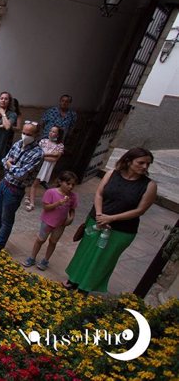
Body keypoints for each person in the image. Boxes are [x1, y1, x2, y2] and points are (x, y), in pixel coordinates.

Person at [64, 148, 157, 294]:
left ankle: (86, 287)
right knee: (85, 252)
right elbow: (99, 194)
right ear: (128, 161)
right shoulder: (112, 174)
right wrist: (101, 215)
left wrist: (111, 218)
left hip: (121, 230)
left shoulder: (149, 185)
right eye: (141, 162)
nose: (145, 167)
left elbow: (140, 210)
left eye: (148, 164)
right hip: (97, 221)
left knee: (102, 259)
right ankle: (73, 279)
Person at [0, 121, 44, 250]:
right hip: (4, 183)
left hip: (15, 189)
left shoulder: (37, 153)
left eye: (29, 134)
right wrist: (10, 166)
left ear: (36, 135)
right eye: (23, 133)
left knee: (7, 219)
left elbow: (21, 174)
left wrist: (10, 165)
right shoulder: (18, 144)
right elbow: (4, 160)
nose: (25, 136)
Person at [23, 171, 78, 271]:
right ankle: (32, 257)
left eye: (73, 185)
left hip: (60, 224)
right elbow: (46, 207)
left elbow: (72, 209)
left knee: (53, 241)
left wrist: (71, 218)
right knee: (40, 240)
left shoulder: (73, 196)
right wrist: (58, 203)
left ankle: (45, 260)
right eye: (68, 183)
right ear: (60, 182)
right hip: (47, 222)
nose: (70, 187)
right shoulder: (51, 192)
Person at [25, 126, 64, 211]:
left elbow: (55, 158)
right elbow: (37, 154)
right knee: (34, 183)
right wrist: (51, 154)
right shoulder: (43, 141)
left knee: (35, 183)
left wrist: (43, 155)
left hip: (46, 167)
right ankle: (31, 202)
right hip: (39, 165)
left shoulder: (60, 146)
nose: (51, 133)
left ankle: (29, 197)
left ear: (58, 135)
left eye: (54, 132)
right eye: (50, 130)